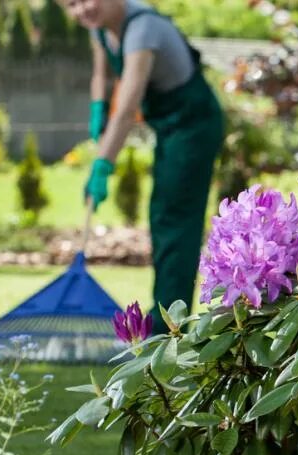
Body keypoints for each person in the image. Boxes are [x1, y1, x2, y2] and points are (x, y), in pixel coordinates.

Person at [62, 0, 225, 333]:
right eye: (70, 5)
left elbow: (127, 109)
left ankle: (169, 322)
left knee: (175, 218)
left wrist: (102, 165)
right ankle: (164, 312)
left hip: (194, 125)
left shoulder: (141, 29)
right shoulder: (100, 28)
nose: (81, 11)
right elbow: (101, 73)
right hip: (170, 128)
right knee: (162, 215)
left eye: (84, 0)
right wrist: (97, 105)